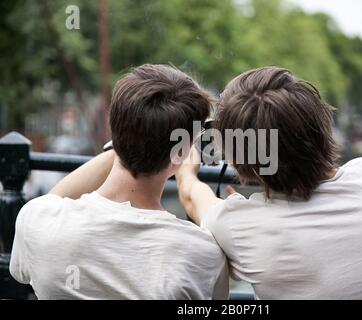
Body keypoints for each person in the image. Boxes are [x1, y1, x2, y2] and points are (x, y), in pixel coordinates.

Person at [175, 66, 362, 299]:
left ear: (240, 157)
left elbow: (192, 196)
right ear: (320, 121)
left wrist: (187, 170)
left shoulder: (238, 227)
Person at [9, 64, 228, 300]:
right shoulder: (201, 253)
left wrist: (128, 138)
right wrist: (188, 177)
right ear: (182, 152)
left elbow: (51, 201)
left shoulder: (37, 220)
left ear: (114, 127)